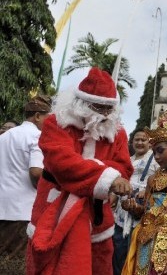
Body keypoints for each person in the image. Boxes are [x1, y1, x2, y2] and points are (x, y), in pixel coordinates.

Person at [26, 67, 133, 275]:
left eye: (108, 108)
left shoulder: (116, 132)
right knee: (49, 265)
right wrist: (108, 177)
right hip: (53, 209)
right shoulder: (56, 123)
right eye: (98, 107)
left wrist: (113, 178)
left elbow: (124, 167)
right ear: (82, 103)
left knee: (98, 265)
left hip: (97, 216)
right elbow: (62, 162)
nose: (104, 114)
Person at [121, 107, 167, 275]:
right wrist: (134, 208)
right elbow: (145, 211)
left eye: (160, 150)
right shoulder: (152, 179)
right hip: (145, 240)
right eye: (154, 152)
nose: (155, 156)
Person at [0, 95, 51, 274]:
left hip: (3, 208)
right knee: (15, 264)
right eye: (47, 117)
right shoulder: (37, 136)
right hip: (21, 212)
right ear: (37, 116)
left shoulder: (5, 136)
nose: (49, 123)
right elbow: (36, 171)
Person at [112, 129, 159, 275]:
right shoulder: (127, 160)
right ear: (131, 143)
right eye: (136, 140)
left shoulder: (156, 160)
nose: (139, 143)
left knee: (138, 255)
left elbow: (162, 180)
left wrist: (147, 190)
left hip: (143, 213)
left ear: (150, 143)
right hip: (121, 214)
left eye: (143, 140)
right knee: (119, 252)